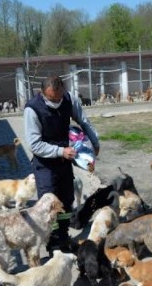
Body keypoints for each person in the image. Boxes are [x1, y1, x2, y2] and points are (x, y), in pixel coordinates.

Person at [24, 76, 100, 250]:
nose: (57, 102)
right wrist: (60, 151)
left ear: (63, 91)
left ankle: (64, 237)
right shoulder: (32, 109)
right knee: (49, 206)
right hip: (45, 165)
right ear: (42, 94)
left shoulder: (69, 99)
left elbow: (83, 121)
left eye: (59, 98)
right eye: (52, 99)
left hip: (64, 163)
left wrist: (94, 143)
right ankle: (52, 242)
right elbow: (34, 144)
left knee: (66, 200)